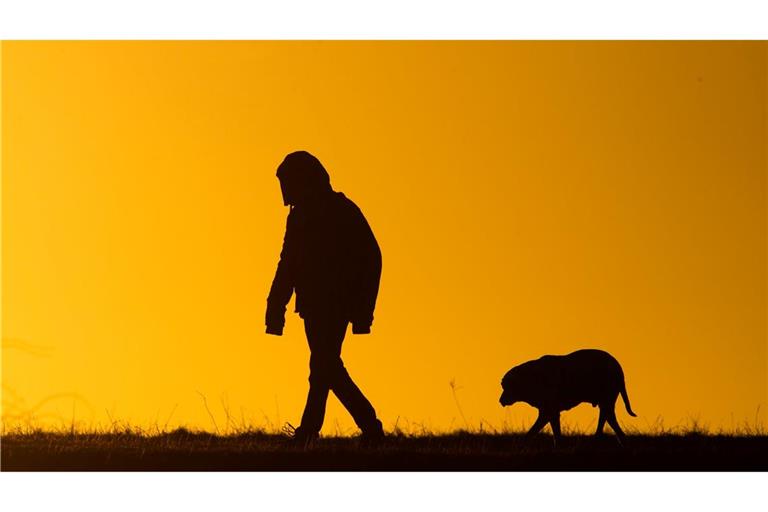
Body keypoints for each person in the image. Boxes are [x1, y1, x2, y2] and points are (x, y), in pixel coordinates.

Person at [266, 150, 385, 446]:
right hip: (311, 306)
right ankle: (360, 426)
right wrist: (275, 307)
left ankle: (327, 429)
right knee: (325, 366)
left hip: (337, 304)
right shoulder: (298, 218)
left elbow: (371, 258)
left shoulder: (342, 211)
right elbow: (288, 263)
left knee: (323, 365)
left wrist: (362, 311)